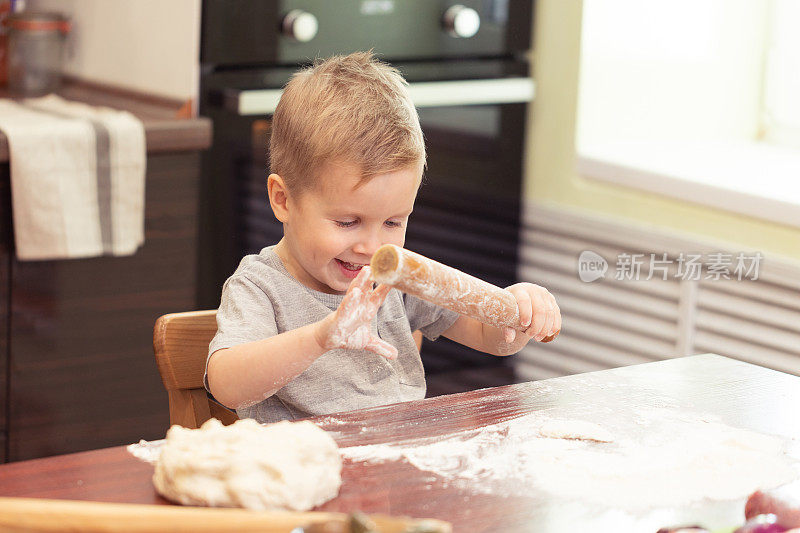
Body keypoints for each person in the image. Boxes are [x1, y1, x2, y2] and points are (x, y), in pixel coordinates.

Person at [206, 51, 561, 423]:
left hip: (393, 459)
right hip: (304, 467)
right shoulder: (260, 287)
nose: (373, 248)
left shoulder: (396, 278)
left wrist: (517, 312)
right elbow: (227, 385)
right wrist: (323, 337)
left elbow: (489, 336)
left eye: (392, 222)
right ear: (283, 200)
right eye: (347, 222)